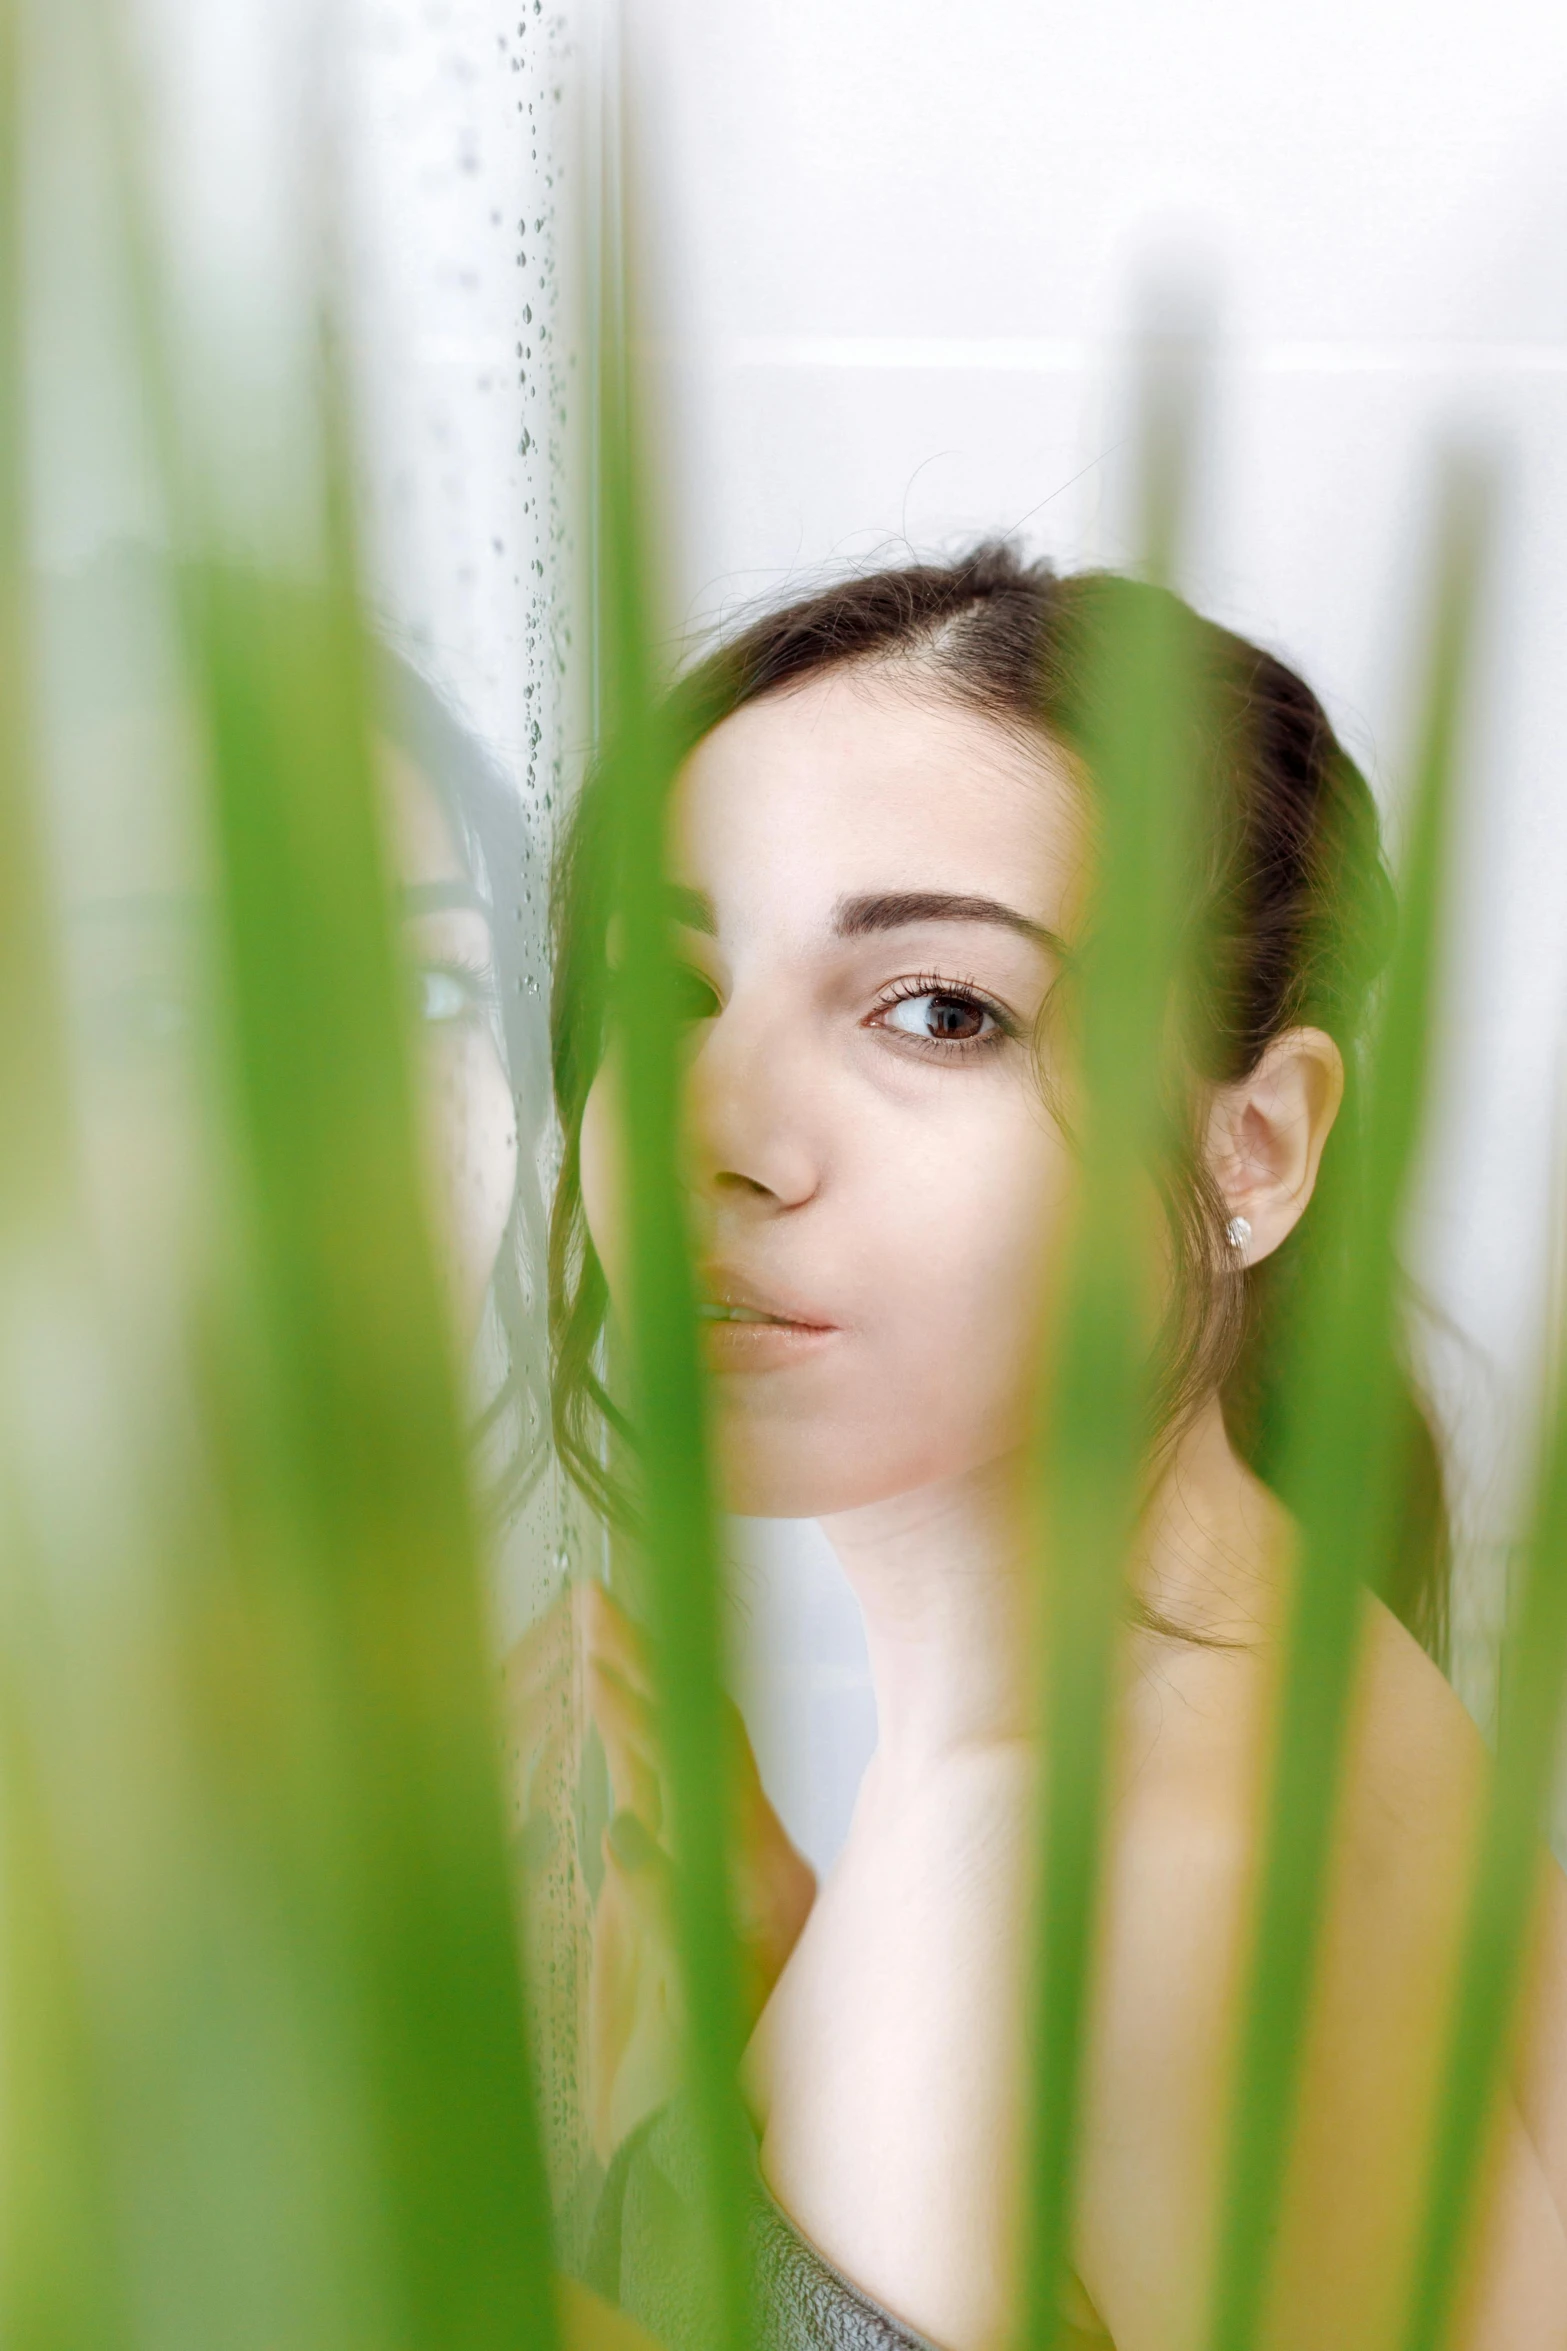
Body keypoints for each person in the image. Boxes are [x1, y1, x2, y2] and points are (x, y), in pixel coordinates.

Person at [543, 546, 1567, 2350]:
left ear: (1251, 1150)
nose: (726, 1130)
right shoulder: (1180, 1706)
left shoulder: (1132, 1903)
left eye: (939, 1009)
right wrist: (772, 1976)